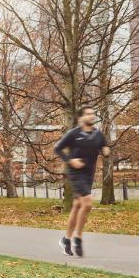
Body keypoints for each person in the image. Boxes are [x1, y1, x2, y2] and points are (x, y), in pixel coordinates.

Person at [53, 105, 111, 257]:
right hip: (76, 173)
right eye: (88, 114)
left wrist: (106, 151)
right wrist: (70, 161)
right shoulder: (73, 134)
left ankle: (66, 239)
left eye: (93, 114)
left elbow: (104, 147)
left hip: (89, 174)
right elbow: (58, 148)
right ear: (81, 118)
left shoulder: (98, 134)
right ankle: (77, 239)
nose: (92, 116)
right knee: (88, 202)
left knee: (79, 206)